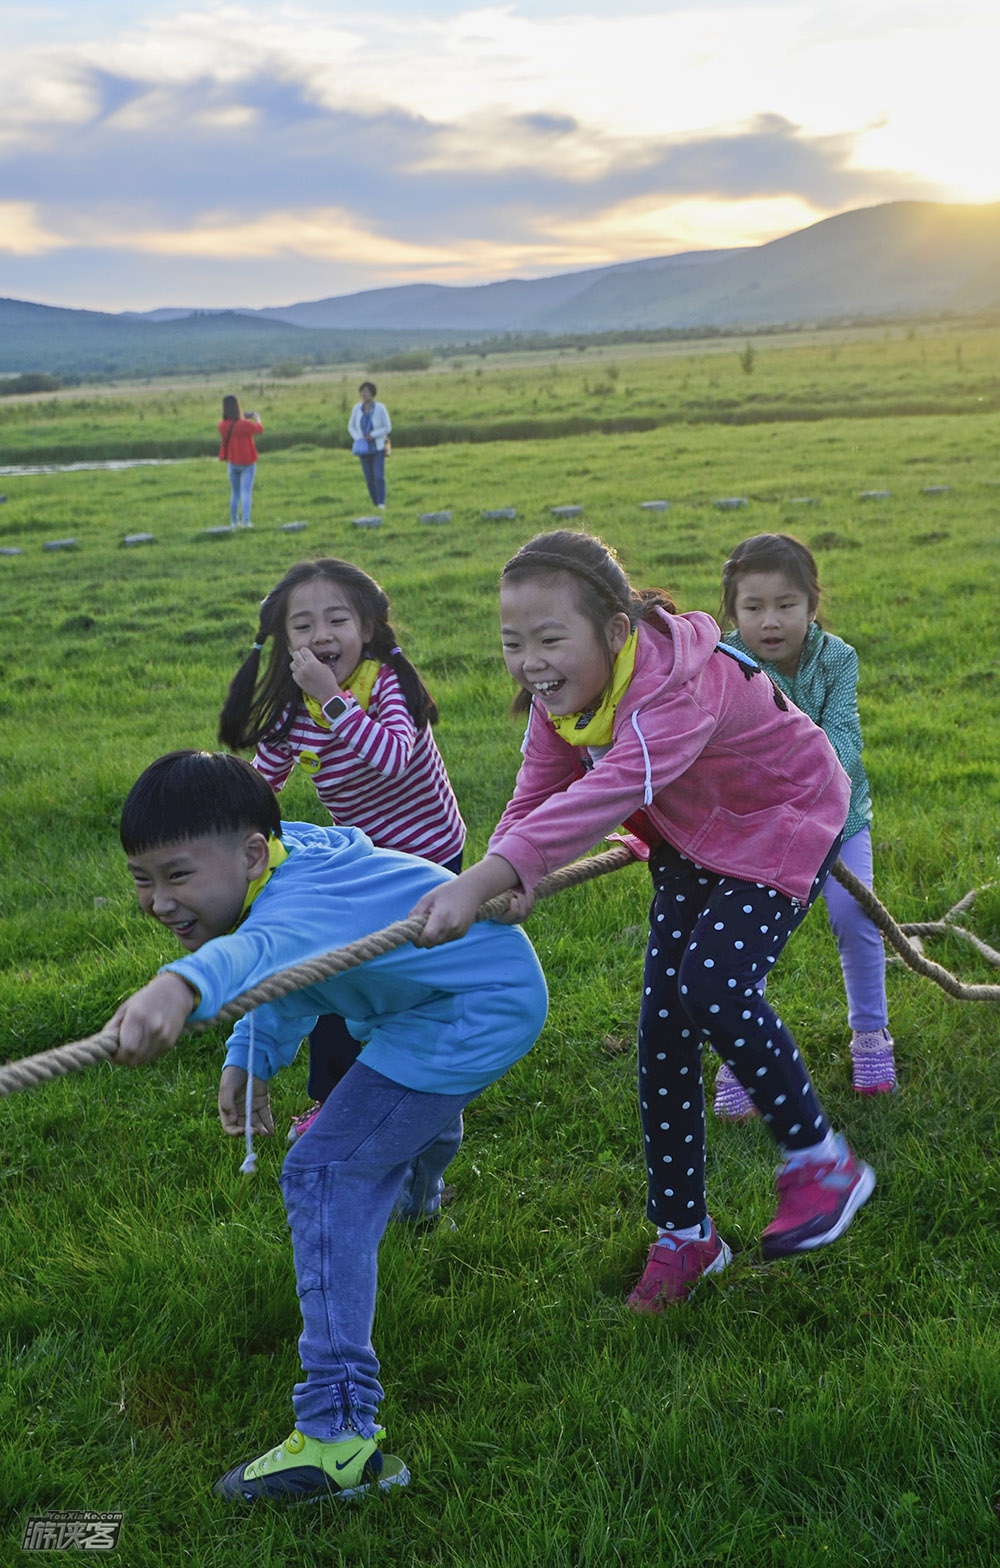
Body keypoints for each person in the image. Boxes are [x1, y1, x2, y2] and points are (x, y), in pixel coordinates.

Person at [410, 529, 875, 1313]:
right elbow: (540, 790)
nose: (531, 661)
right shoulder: (565, 702)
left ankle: (822, 1159)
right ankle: (685, 1236)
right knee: (663, 1027)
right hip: (692, 834)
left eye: (550, 639)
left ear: (616, 632)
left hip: (780, 819)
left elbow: (606, 793)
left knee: (714, 985)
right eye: (512, 642)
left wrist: (491, 873)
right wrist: (510, 871)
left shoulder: (673, 688)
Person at [110, 749, 547, 1504]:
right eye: (142, 879)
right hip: (451, 995)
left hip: (463, 1012)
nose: (158, 901)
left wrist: (178, 986)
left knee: (324, 1169)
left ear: (252, 855)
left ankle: (339, 1438)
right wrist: (252, 1053)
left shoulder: (297, 897)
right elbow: (293, 974)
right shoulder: (284, 859)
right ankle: (417, 1201)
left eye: (178, 876)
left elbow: (260, 948)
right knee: (392, 1122)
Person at [218, 557, 466, 1214]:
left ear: (367, 626)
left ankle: (419, 1096)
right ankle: (334, 1100)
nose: (322, 632)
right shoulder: (296, 710)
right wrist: (224, 832)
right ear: (284, 641)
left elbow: (387, 760)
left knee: (409, 985)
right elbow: (263, 783)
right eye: (304, 624)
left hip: (431, 858)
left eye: (338, 619)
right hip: (365, 864)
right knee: (338, 977)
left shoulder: (386, 687)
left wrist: (332, 697)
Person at [711, 532, 895, 1116]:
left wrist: (800, 777)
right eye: (753, 607)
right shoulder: (724, 663)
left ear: (812, 605)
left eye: (786, 605)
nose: (771, 621)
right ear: (733, 612)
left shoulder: (835, 659)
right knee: (741, 938)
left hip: (839, 818)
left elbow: (842, 738)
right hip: (756, 830)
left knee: (854, 914)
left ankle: (871, 1034)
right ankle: (744, 1054)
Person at [218, 395, 263, 529]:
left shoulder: (222, 425)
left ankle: (233, 521)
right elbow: (259, 429)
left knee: (235, 493)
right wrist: (257, 418)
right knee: (246, 492)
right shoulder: (244, 424)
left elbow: (233, 426)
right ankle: (245, 522)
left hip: (232, 462)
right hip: (248, 462)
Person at [347, 381, 391, 509]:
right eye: (362, 392)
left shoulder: (380, 408)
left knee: (378, 476)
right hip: (363, 448)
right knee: (369, 478)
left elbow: (387, 427)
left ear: (372, 393)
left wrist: (373, 434)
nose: (364, 394)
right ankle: (375, 502)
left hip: (377, 447)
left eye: (366, 391)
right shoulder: (357, 408)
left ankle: (381, 503)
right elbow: (351, 426)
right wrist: (359, 438)